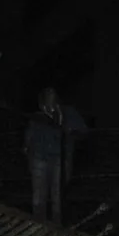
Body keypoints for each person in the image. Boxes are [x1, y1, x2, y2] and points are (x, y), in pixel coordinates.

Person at [24, 87, 87, 223]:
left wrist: (70, 132)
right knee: (38, 197)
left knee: (58, 197)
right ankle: (39, 226)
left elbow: (83, 131)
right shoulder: (37, 117)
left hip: (60, 159)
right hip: (39, 159)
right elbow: (28, 142)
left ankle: (56, 229)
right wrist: (29, 158)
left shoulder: (68, 113)